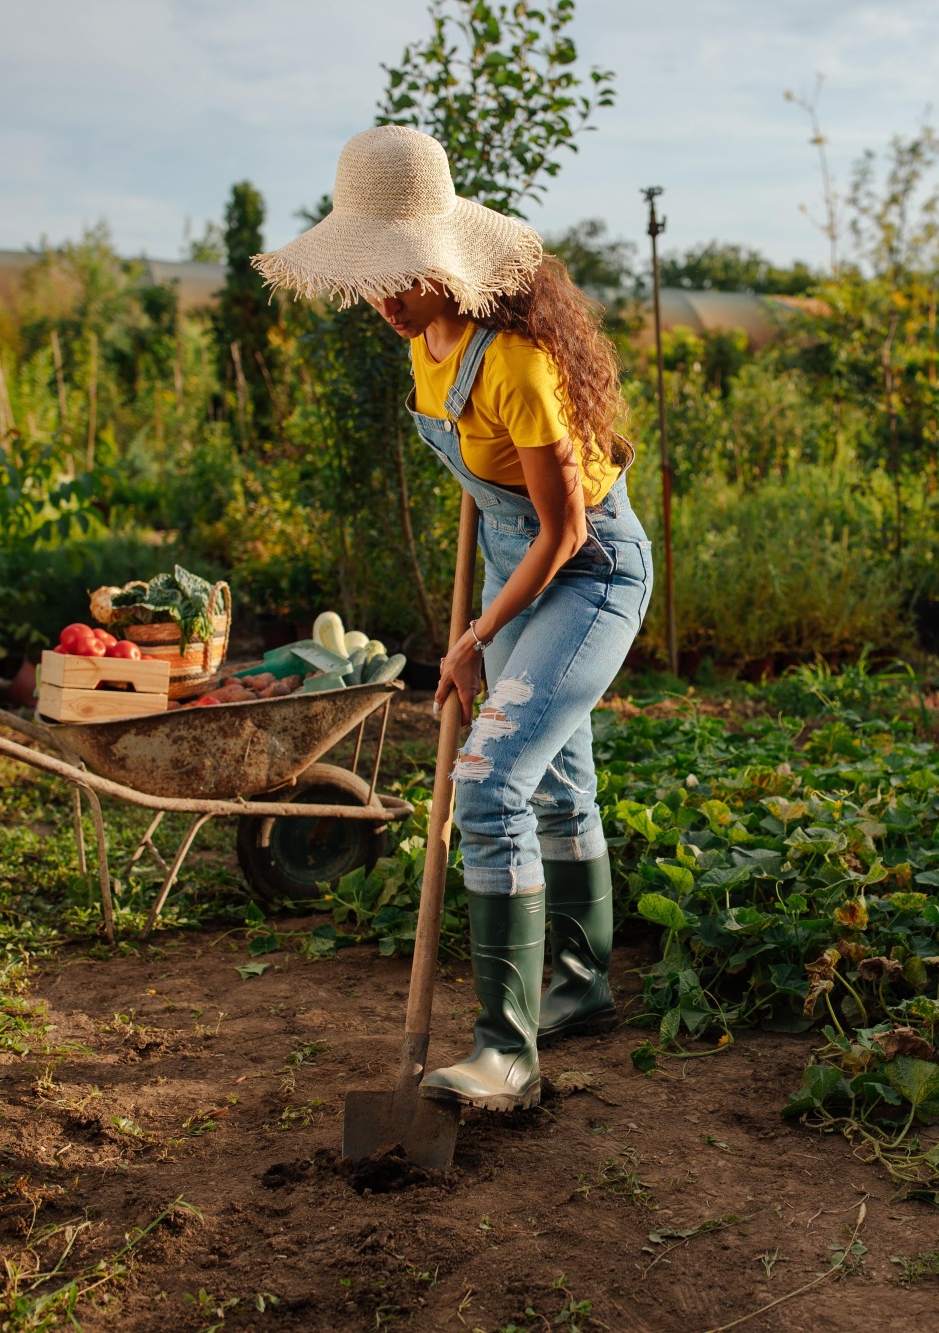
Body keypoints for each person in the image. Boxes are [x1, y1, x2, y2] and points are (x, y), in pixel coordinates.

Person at [254, 125, 652, 1112]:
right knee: (556, 782)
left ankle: (505, 1054)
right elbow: (485, 484)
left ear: (448, 260)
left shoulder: (520, 361)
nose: (388, 298)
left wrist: (473, 640)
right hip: (516, 574)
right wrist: (478, 611)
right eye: (373, 276)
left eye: (406, 275)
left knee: (485, 783)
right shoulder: (426, 351)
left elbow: (561, 532)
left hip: (589, 574)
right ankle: (577, 989)